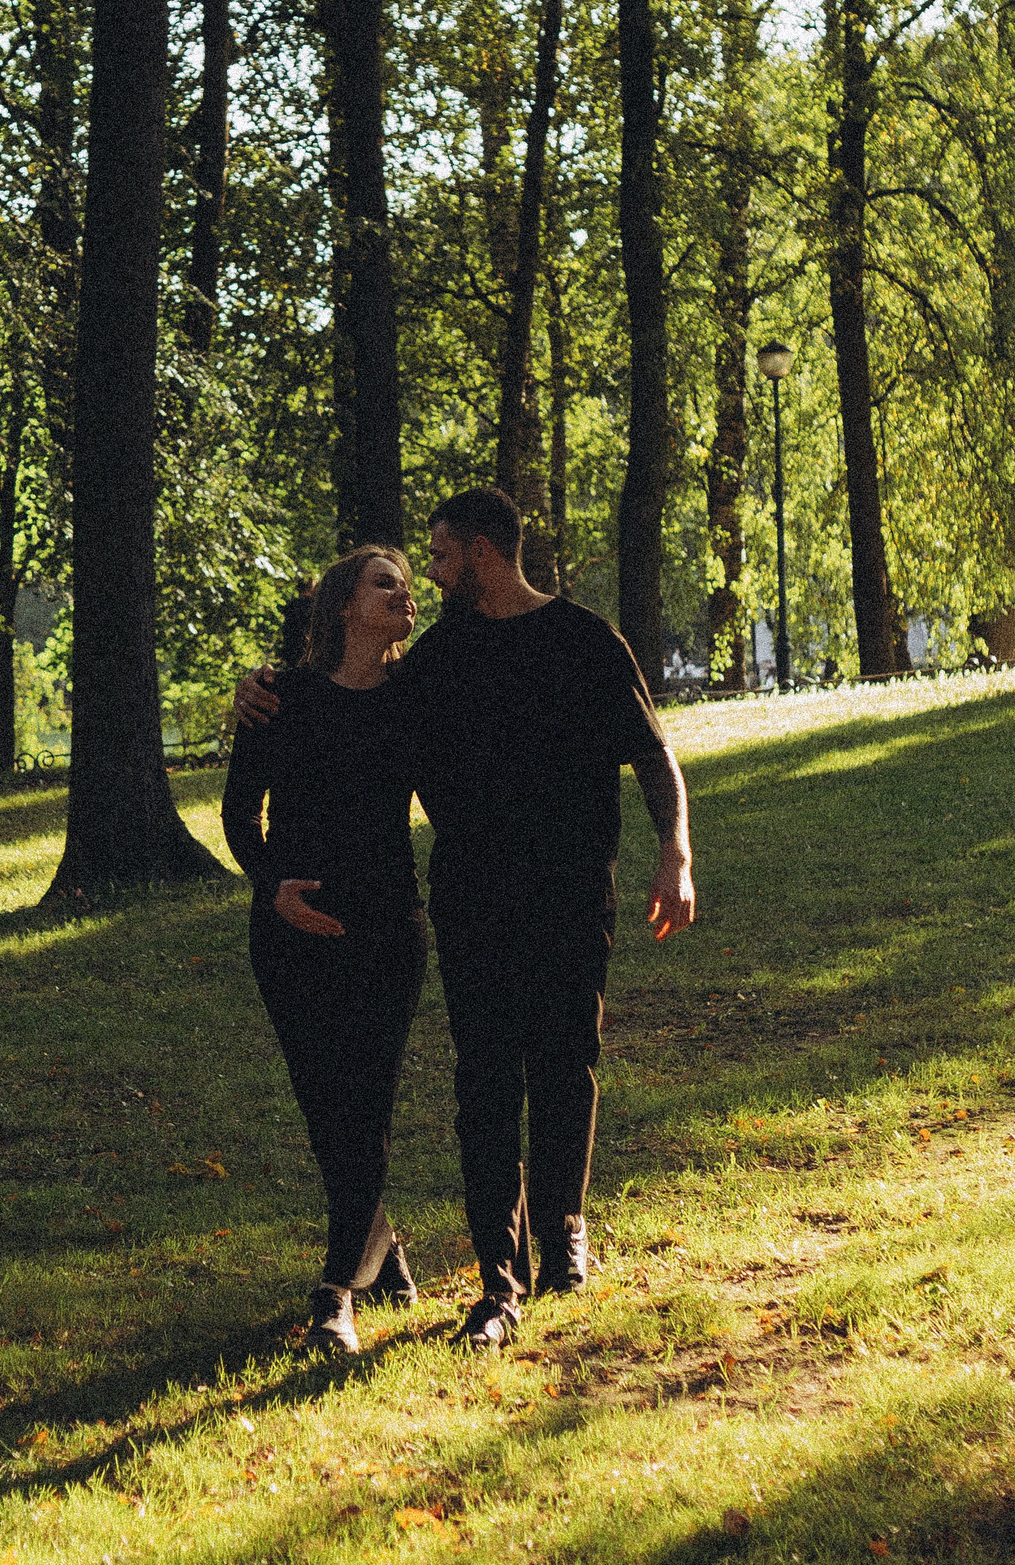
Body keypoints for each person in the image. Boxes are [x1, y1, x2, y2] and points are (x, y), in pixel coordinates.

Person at [236, 488, 695, 1350]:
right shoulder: (436, 662)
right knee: (484, 1082)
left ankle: (563, 1229)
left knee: (566, 1059)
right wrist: (261, 692)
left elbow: (651, 749)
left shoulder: (586, 640)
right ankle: (500, 1275)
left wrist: (675, 851)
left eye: (440, 557)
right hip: (472, 901)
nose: (431, 576)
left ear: (481, 552)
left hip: (571, 893)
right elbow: (349, 706)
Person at [221, 546, 428, 1355]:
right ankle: (385, 1252)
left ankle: (336, 1293)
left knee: (365, 1110)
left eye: (410, 584)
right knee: (328, 1115)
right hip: (288, 932)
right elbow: (242, 817)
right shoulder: (281, 696)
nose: (403, 592)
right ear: (343, 604)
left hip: (385, 930)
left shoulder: (418, 698)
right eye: (385, 581)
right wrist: (273, 886)